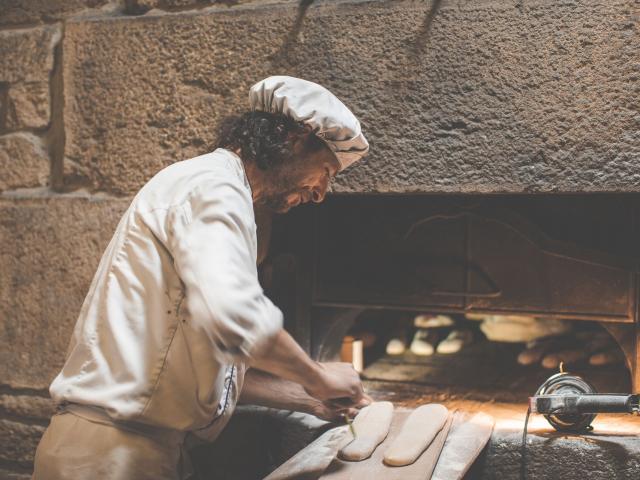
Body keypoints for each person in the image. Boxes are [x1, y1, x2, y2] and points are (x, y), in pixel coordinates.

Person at [33, 76, 370, 479]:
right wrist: (318, 375)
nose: (320, 193)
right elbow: (235, 317)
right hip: (107, 457)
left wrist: (310, 398)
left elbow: (208, 364)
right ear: (296, 138)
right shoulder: (212, 187)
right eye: (327, 171)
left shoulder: (227, 195)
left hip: (140, 451)